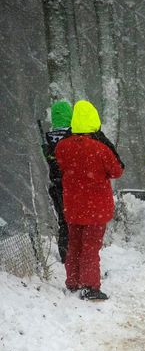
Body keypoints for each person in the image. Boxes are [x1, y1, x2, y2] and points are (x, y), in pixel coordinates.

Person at [55, 100, 124, 300]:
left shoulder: (62, 147)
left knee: (75, 244)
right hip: (96, 208)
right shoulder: (100, 149)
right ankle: (90, 286)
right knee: (91, 248)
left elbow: (59, 166)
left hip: (73, 206)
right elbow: (117, 171)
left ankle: (73, 281)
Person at [41, 101, 73, 263]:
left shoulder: (48, 138)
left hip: (56, 186)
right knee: (76, 223)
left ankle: (65, 255)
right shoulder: (74, 136)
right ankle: (76, 258)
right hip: (73, 185)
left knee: (64, 221)